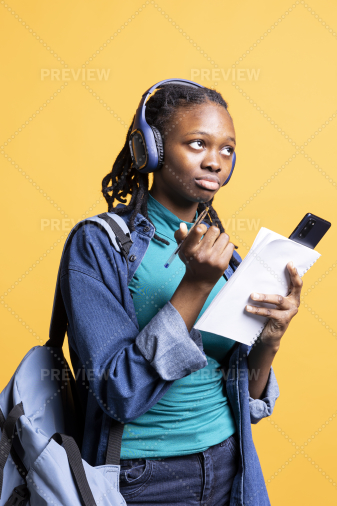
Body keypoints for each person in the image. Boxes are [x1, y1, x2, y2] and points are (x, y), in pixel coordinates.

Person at [60, 81, 302, 505]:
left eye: (227, 149)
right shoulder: (99, 244)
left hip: (232, 463)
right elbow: (119, 393)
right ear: (151, 150)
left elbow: (244, 394)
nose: (215, 161)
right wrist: (195, 284)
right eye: (197, 143)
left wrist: (270, 340)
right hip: (142, 477)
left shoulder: (223, 255)